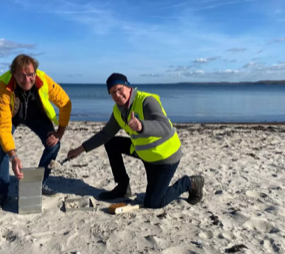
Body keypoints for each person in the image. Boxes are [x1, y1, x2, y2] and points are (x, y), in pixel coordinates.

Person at [67, 73, 204, 209]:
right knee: (111, 143)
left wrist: (141, 126)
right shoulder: (118, 111)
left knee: (153, 203)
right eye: (113, 92)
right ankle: (122, 188)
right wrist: (79, 150)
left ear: (128, 87)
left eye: (120, 89)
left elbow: (165, 127)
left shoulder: (146, 101)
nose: (118, 94)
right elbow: (105, 134)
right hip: (145, 155)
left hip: (165, 157)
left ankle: (190, 183)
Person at [0, 54, 72, 211]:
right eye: (21, 75)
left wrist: (59, 132)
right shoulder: (4, 88)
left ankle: (39, 183)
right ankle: (2, 193)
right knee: (1, 146)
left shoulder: (44, 80)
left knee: (54, 144)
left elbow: (66, 103)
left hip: (37, 116)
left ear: (35, 72)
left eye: (30, 74)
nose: (27, 79)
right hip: (12, 116)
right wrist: (13, 156)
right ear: (14, 74)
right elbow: (4, 125)